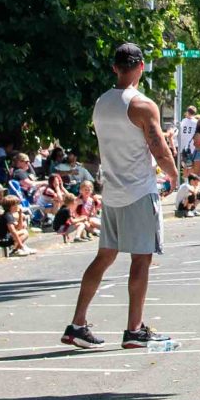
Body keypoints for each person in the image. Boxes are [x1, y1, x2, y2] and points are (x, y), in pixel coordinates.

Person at [64, 43, 180, 352]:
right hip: (139, 190)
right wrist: (173, 174)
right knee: (141, 258)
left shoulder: (102, 103)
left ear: (115, 68)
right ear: (141, 66)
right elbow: (157, 145)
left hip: (112, 191)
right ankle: (134, 329)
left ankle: (77, 324)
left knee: (104, 256)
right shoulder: (142, 104)